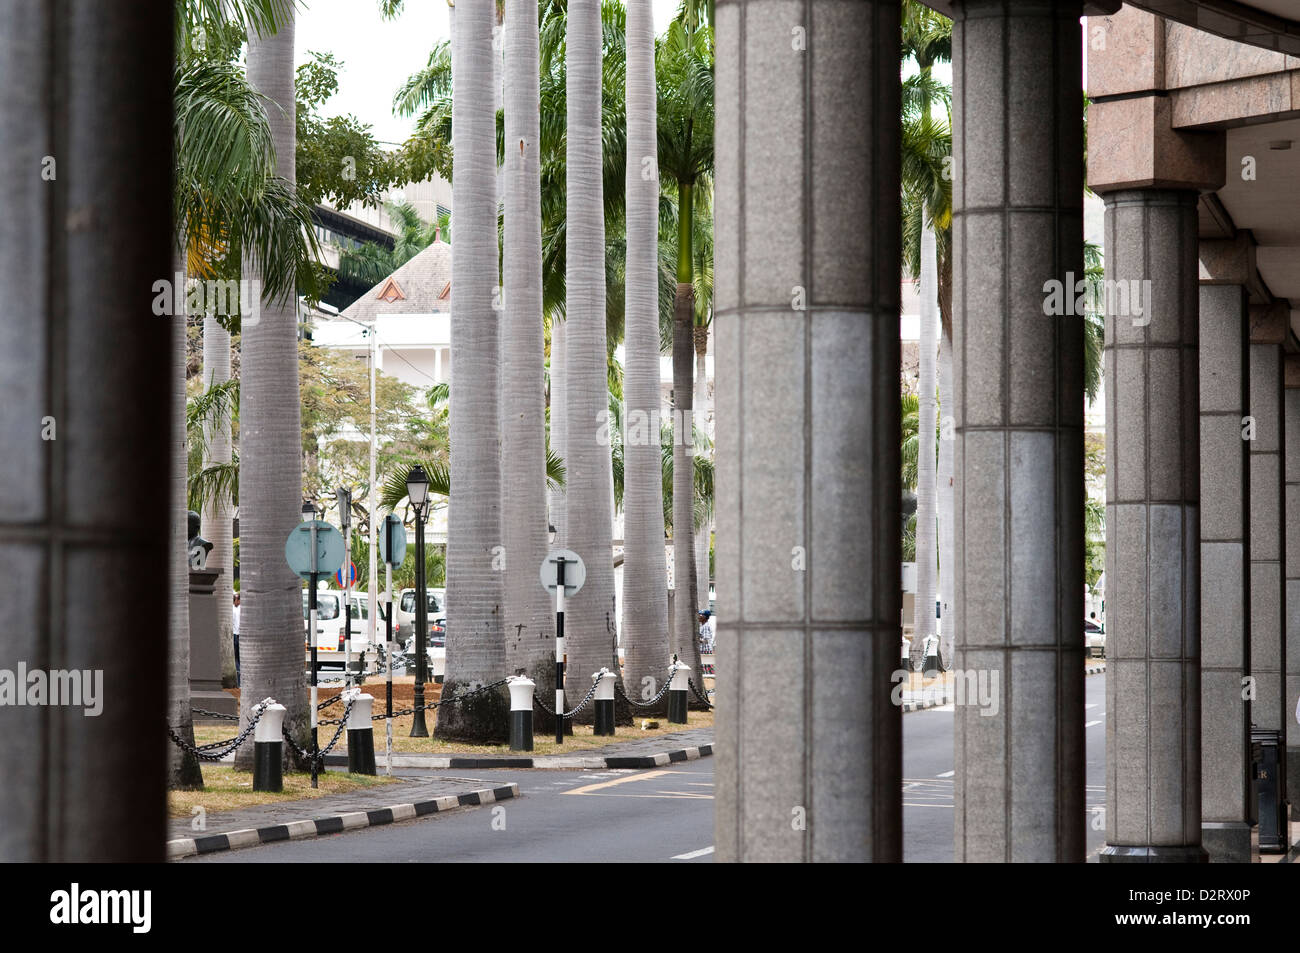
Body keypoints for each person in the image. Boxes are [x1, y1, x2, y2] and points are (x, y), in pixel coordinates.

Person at [232, 592, 241, 686]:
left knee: (238, 657)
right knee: (235, 657)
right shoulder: (232, 609)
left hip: (238, 635)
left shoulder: (240, 609)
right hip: (234, 634)